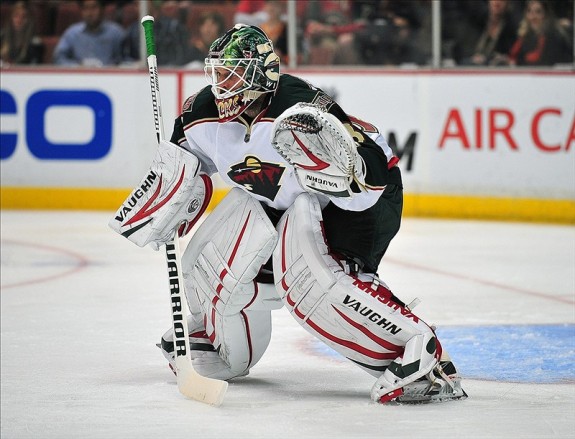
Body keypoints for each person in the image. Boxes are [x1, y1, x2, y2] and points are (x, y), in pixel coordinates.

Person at [109, 24, 467, 404]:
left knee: (311, 285)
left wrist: (344, 178)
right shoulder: (202, 114)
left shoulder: (301, 106)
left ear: (259, 74)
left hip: (359, 203)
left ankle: (423, 357)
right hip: (282, 202)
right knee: (212, 267)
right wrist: (171, 197)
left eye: (231, 72)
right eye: (216, 72)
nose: (220, 83)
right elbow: (187, 165)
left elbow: (369, 180)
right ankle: (219, 345)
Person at [53, 0, 126, 67]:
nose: (89, 13)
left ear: (102, 10)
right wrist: (77, 66)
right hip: (79, 77)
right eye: (85, 8)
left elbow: (126, 61)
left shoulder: (116, 33)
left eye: (94, 8)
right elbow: (58, 58)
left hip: (109, 78)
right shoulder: (72, 33)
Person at [507, 0, 572, 66]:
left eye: (538, 12)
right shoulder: (524, 38)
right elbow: (513, 57)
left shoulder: (555, 37)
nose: (533, 17)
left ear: (546, 15)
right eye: (529, 11)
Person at [462, 0, 519, 66]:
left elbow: (510, 55)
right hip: (471, 66)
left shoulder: (511, 28)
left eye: (502, 0)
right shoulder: (477, 20)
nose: (497, 2)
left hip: (496, 70)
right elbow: (465, 47)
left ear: (507, 3)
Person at [0, 1, 44, 65]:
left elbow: (34, 67)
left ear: (30, 20)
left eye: (23, 17)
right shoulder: (2, 37)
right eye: (16, 16)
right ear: (10, 18)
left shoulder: (35, 44)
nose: (19, 20)